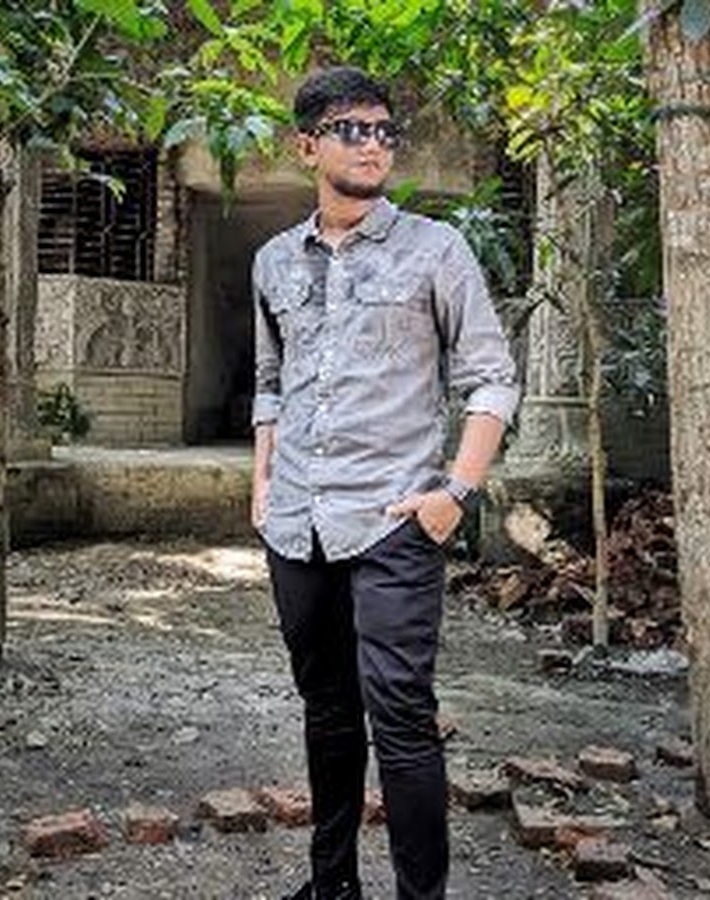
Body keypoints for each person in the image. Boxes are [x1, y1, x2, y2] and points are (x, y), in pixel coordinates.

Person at [250, 67, 519, 900]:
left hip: (395, 518)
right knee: (327, 709)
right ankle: (331, 885)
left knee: (401, 714)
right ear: (307, 146)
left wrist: (455, 493)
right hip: (297, 521)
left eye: (383, 131)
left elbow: (492, 378)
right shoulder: (272, 262)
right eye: (351, 130)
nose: (372, 145)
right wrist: (263, 484)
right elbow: (271, 382)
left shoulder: (436, 250)